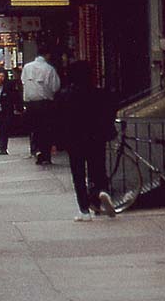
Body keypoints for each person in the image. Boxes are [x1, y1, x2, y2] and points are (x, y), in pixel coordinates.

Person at [59, 60, 118, 220]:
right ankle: (101, 192)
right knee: (98, 169)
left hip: (74, 140)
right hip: (96, 138)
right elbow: (110, 111)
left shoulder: (66, 95)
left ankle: (84, 210)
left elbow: (60, 119)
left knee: (78, 174)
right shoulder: (100, 93)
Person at [21, 52, 62, 164]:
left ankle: (37, 151)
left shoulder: (27, 67)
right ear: (47, 56)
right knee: (46, 129)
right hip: (45, 104)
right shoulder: (49, 69)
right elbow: (55, 86)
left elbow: (23, 82)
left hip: (31, 104)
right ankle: (46, 154)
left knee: (34, 129)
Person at [0, 67, 18, 155]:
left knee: (4, 129)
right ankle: (1, 145)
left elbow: (14, 98)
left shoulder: (8, 86)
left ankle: (3, 147)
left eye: (2, 76)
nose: (0, 78)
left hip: (6, 111)